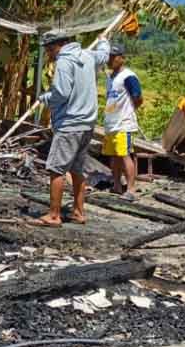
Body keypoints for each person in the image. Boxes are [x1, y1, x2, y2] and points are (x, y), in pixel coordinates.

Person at [34, 32, 110, 227]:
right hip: (87, 124)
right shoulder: (87, 55)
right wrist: (103, 41)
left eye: (50, 50)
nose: (49, 55)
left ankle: (53, 215)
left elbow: (61, 92)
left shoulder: (65, 62)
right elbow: (104, 55)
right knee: (76, 169)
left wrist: (46, 98)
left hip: (70, 124)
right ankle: (78, 212)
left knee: (56, 168)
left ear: (58, 46)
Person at [102, 42, 143, 198]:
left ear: (122, 58)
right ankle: (117, 185)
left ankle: (131, 189)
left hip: (123, 122)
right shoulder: (110, 77)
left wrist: (128, 111)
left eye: (114, 57)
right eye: (109, 57)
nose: (110, 60)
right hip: (111, 123)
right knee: (114, 156)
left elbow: (138, 97)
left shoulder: (128, 76)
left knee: (125, 154)